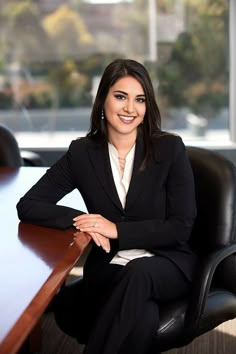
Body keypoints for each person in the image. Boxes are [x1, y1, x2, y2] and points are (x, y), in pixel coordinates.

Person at [17, 58, 197, 354]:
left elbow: (181, 227)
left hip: (168, 264)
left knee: (139, 274)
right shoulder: (82, 153)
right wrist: (85, 220)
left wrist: (115, 229)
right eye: (120, 97)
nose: (130, 108)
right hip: (110, 267)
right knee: (144, 317)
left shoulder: (169, 149)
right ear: (102, 100)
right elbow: (29, 204)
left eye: (140, 100)